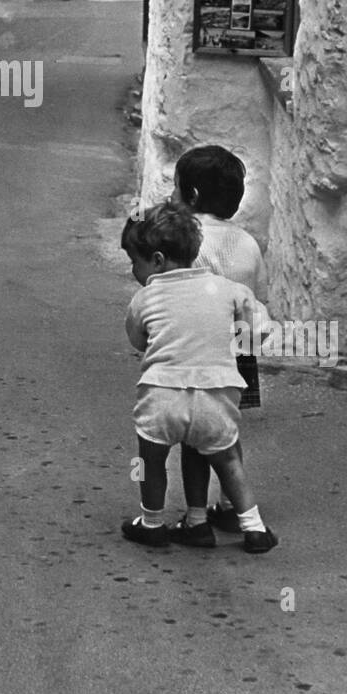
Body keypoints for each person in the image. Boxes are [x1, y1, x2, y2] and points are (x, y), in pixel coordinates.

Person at [120, 202, 278, 554]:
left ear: (158, 260)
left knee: (152, 459)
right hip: (216, 395)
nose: (134, 271)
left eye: (135, 262)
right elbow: (261, 329)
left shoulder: (144, 297)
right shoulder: (228, 289)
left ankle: (152, 523)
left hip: (162, 397)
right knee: (226, 459)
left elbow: (138, 339)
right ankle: (252, 528)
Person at [172, 145, 268, 541]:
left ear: (191, 196)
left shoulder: (189, 241)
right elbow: (258, 296)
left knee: (195, 436)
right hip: (239, 353)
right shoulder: (247, 242)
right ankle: (230, 507)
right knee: (226, 431)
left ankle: (196, 519)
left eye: (176, 189)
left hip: (199, 351)